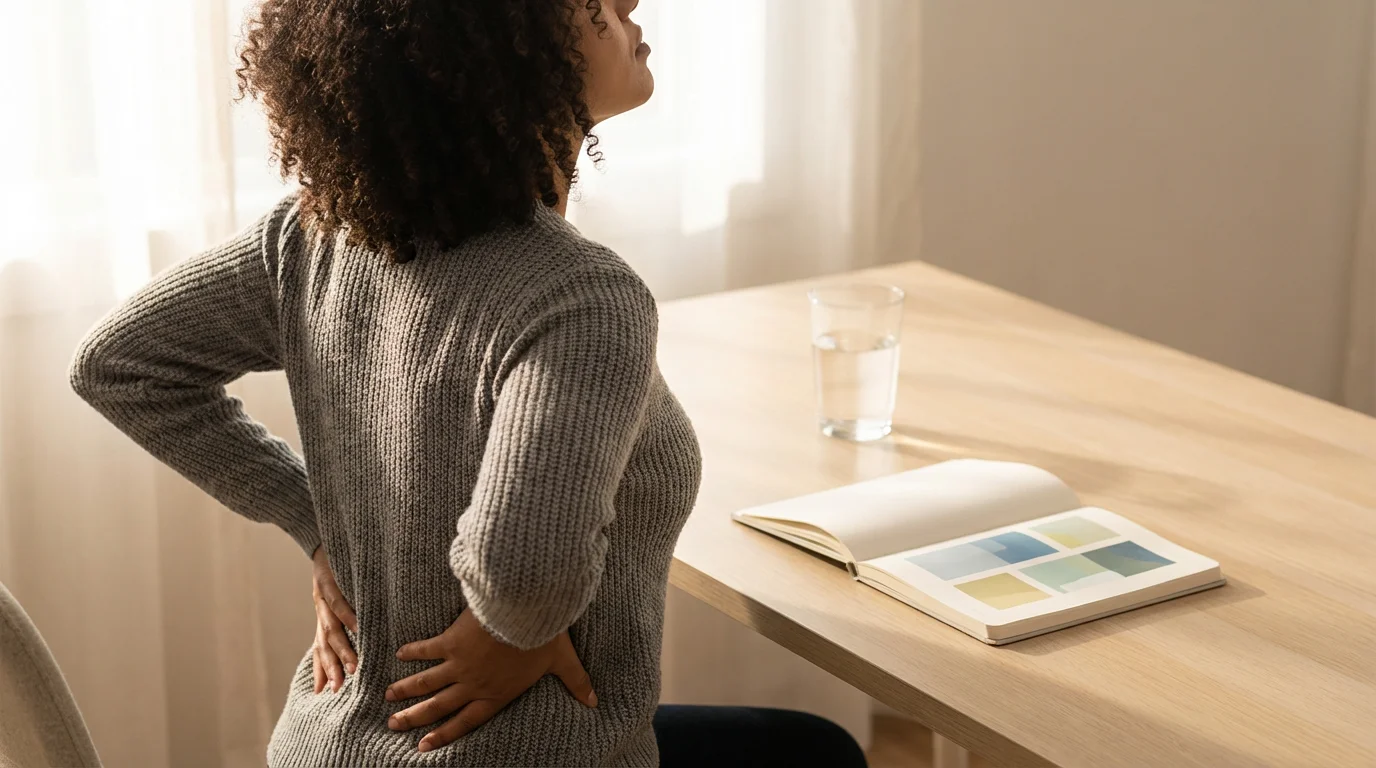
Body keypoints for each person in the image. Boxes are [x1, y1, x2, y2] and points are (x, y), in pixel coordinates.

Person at [69, 0, 867, 765]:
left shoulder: (313, 235)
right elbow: (522, 583)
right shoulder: (582, 296)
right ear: (496, 45)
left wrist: (313, 519)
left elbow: (118, 365)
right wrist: (514, 625)